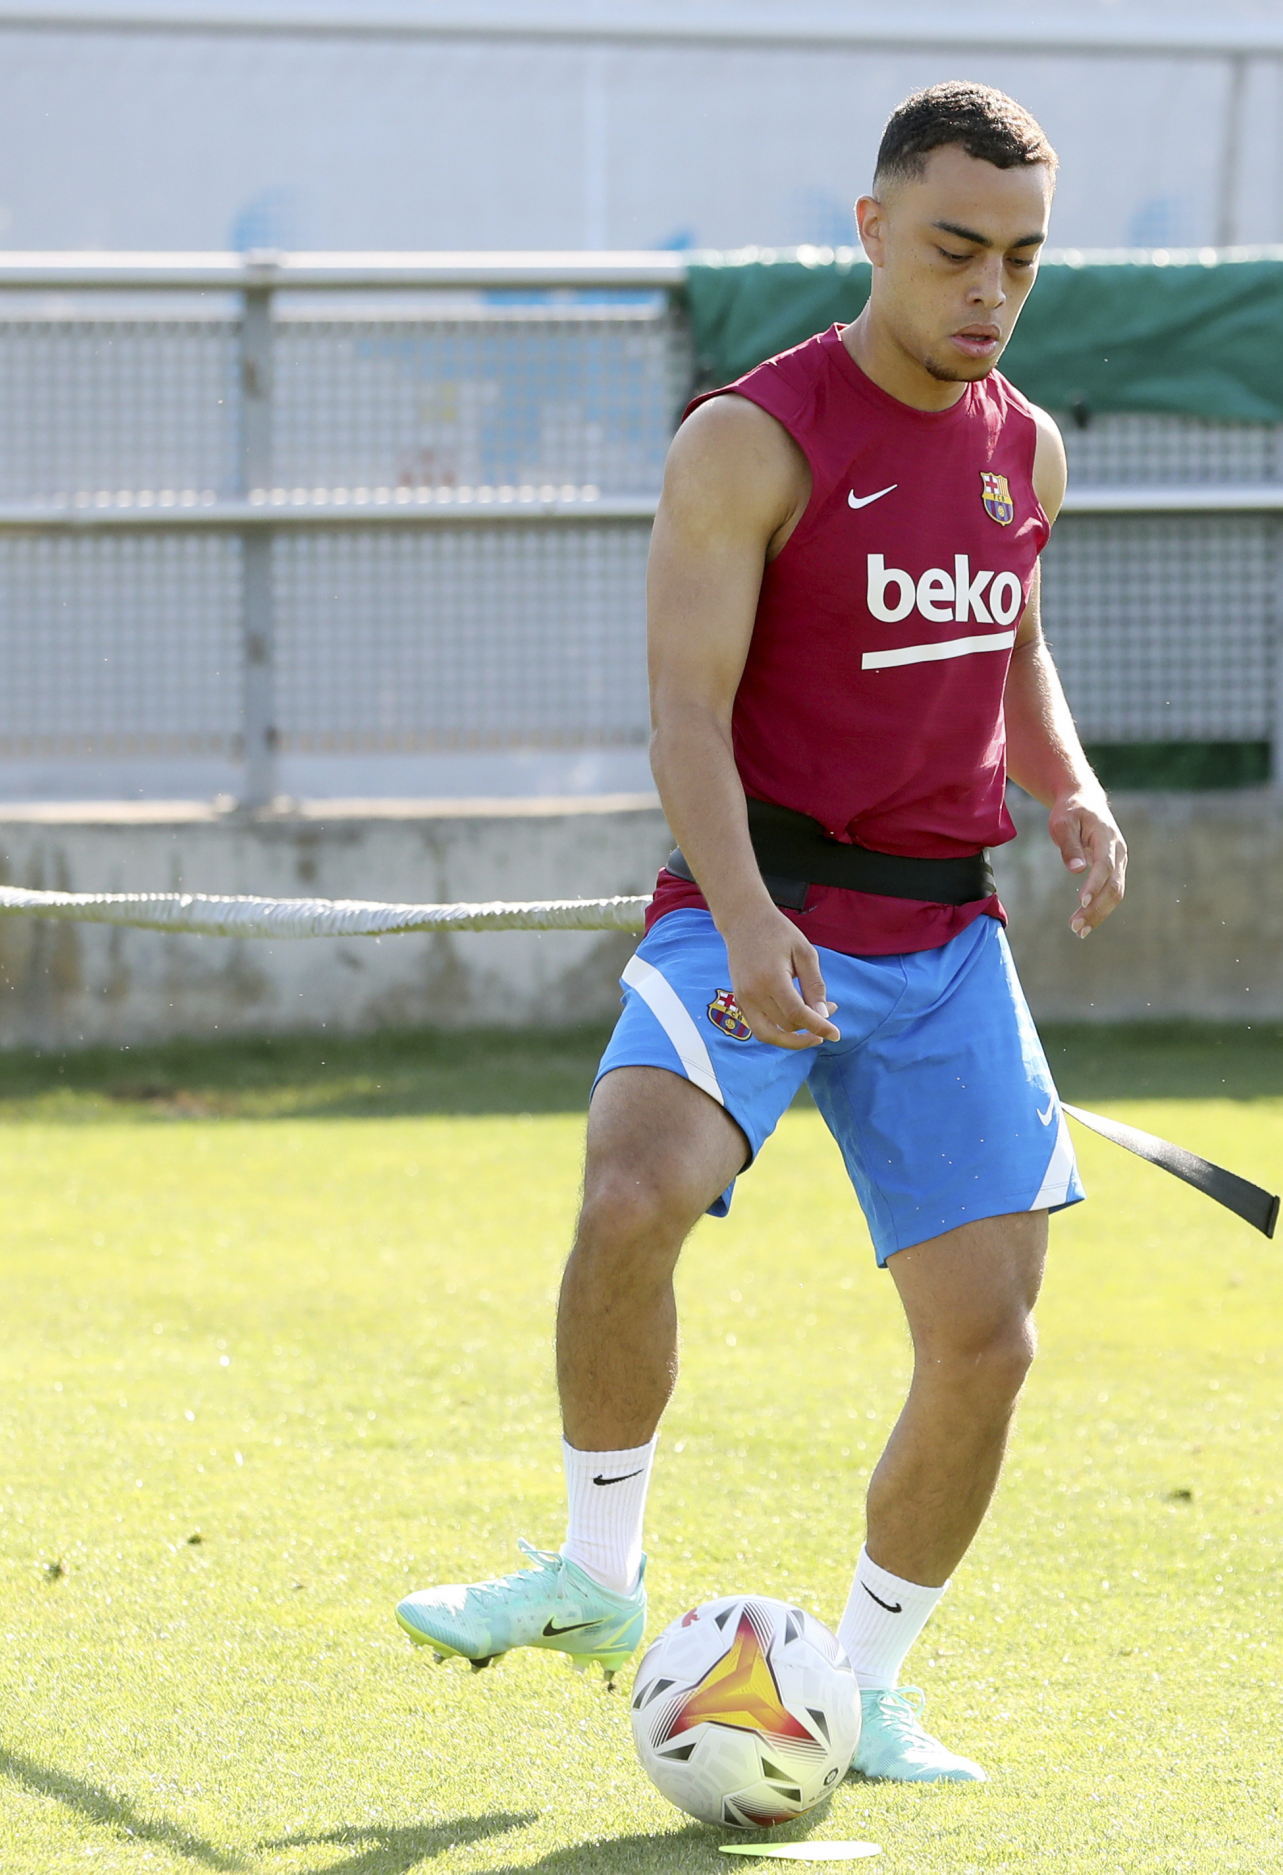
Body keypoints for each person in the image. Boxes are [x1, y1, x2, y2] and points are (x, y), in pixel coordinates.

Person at [394, 82, 1123, 1785]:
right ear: (872, 230)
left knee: (990, 1340)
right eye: (956, 249)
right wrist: (746, 918)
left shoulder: (1030, 447)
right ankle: (593, 1569)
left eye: (1022, 261)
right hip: (760, 896)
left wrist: (1068, 786)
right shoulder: (751, 437)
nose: (990, 293)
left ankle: (862, 1692)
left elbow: (1005, 638)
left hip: (946, 939)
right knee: (633, 1187)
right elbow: (683, 714)